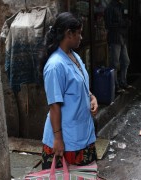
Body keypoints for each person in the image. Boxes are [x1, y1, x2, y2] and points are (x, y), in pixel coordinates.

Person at [40, 12, 99, 169]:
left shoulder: (74, 57)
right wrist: (58, 139)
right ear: (68, 34)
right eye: (79, 33)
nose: (81, 37)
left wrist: (92, 98)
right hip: (66, 141)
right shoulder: (55, 66)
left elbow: (82, 86)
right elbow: (54, 106)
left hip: (82, 134)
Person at [104, 0, 132, 93]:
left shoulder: (121, 6)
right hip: (114, 38)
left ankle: (123, 82)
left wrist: (127, 22)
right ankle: (116, 86)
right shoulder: (110, 8)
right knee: (115, 63)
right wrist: (122, 24)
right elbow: (108, 25)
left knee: (126, 61)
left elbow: (125, 18)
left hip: (122, 37)